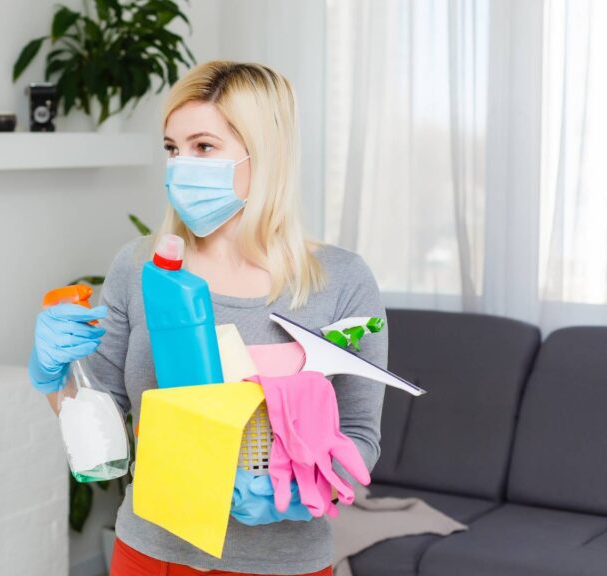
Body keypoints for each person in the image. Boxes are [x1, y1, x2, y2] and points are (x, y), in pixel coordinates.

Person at [29, 61, 386, 576]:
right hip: (152, 554)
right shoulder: (139, 267)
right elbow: (99, 412)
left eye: (203, 147)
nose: (181, 166)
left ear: (262, 153)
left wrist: (302, 485)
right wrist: (54, 374)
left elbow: (358, 433)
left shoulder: (341, 281)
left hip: (284, 564)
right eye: (172, 149)